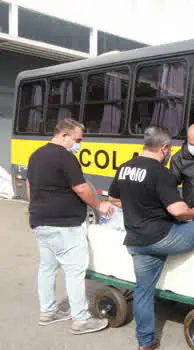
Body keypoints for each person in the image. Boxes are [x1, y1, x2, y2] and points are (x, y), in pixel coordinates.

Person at [108, 126, 194, 350]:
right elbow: (178, 211)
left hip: (136, 241)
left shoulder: (125, 168)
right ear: (165, 148)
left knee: (143, 292)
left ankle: (146, 343)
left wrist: (138, 208)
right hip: (161, 237)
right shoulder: (159, 171)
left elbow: (113, 198)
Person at [27, 119, 113, 334]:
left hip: (40, 221)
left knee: (47, 268)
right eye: (78, 139)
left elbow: (30, 186)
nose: (79, 144)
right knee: (75, 271)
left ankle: (47, 312)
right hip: (65, 224)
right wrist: (99, 205)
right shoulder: (66, 157)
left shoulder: (36, 155)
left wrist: (37, 208)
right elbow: (82, 188)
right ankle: (81, 320)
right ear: (63, 135)